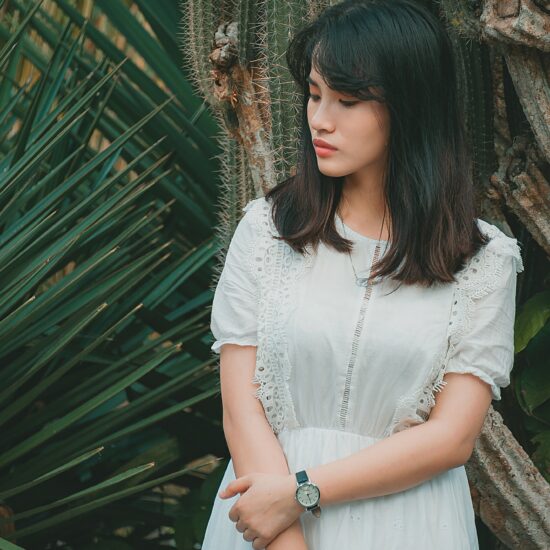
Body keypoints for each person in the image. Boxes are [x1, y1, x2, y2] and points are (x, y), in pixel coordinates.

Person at [201, 0, 524, 548]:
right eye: (314, 93)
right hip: (267, 528)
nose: (320, 119)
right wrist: (287, 534)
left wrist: (300, 492)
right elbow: (241, 405)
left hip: (409, 526)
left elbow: (451, 438)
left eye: (348, 100)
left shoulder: (484, 259)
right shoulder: (267, 231)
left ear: (411, 107)